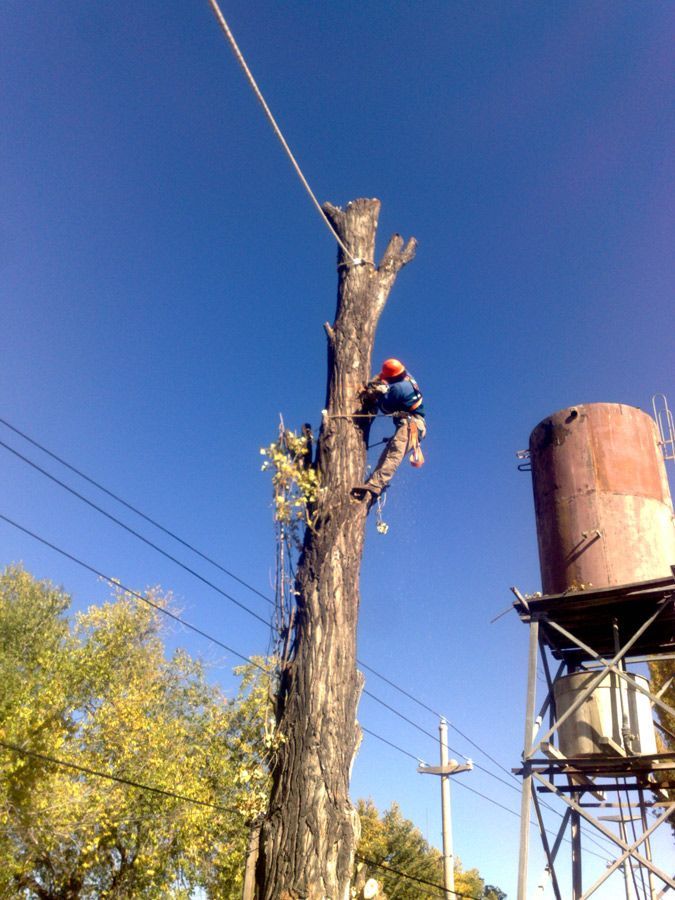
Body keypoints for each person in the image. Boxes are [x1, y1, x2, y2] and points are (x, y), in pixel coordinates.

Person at [351, 358, 426, 501]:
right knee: (385, 456)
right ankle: (372, 484)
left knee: (393, 456)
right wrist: (374, 383)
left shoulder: (399, 389)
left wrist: (380, 395)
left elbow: (385, 408)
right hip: (412, 424)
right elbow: (384, 375)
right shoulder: (406, 375)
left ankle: (376, 485)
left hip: (411, 425)